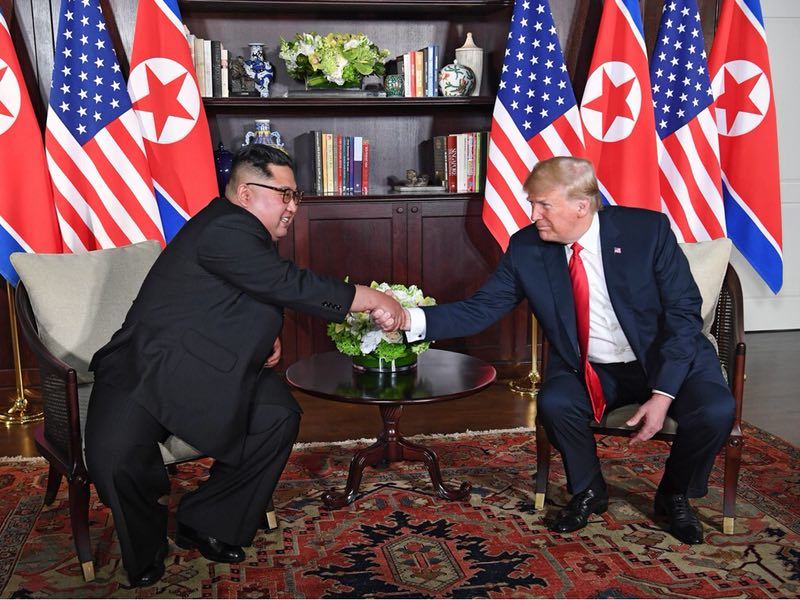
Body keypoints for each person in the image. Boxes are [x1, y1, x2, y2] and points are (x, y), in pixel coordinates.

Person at [84, 144, 404, 587]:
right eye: (284, 194)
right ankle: (146, 546)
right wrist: (370, 298)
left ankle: (206, 520)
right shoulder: (227, 225)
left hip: (213, 365)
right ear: (247, 193)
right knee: (116, 459)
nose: (293, 206)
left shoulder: (244, 235)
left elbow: (244, 292)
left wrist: (264, 335)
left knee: (278, 416)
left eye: (296, 196)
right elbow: (284, 283)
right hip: (147, 366)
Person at [375, 156, 734, 545]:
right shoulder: (526, 247)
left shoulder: (647, 231)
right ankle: (589, 490)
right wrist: (407, 319)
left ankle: (675, 493)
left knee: (715, 410)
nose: (534, 215)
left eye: (543, 204)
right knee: (556, 402)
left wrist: (663, 394)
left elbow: (684, 313)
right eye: (532, 203)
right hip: (590, 365)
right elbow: (482, 309)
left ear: (582, 205)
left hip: (664, 357)